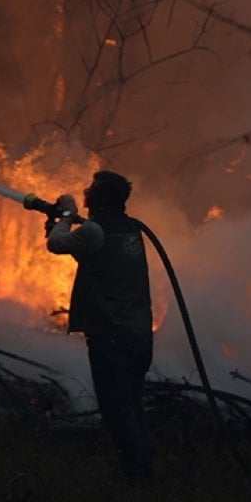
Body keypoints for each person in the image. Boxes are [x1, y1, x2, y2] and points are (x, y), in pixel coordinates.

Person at [45, 170, 154, 481]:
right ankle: (144, 471)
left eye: (89, 190)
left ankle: (138, 480)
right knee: (133, 407)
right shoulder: (130, 229)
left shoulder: (95, 232)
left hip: (112, 339)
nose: (84, 192)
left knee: (118, 412)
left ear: (97, 198)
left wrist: (66, 214)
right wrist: (67, 221)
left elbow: (56, 244)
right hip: (138, 336)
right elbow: (94, 253)